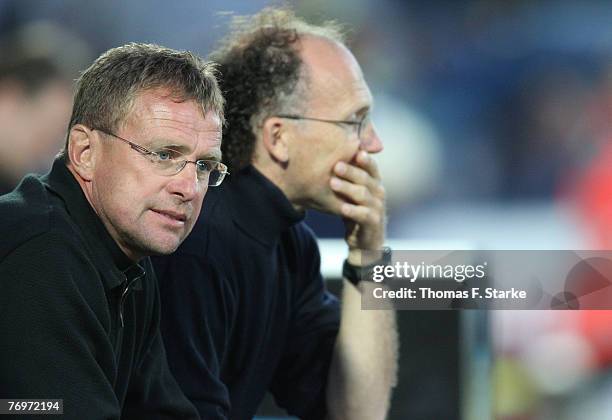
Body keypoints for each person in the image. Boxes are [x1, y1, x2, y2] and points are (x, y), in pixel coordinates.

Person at [153, 9, 398, 420]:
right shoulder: (196, 238)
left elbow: (356, 412)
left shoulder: (290, 243)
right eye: (355, 121)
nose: (373, 144)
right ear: (278, 138)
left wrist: (369, 258)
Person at [0, 43, 227, 419]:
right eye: (164, 155)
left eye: (204, 166)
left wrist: (365, 257)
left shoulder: (130, 257)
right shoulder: (41, 253)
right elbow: (40, 411)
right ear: (84, 151)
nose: (189, 188)